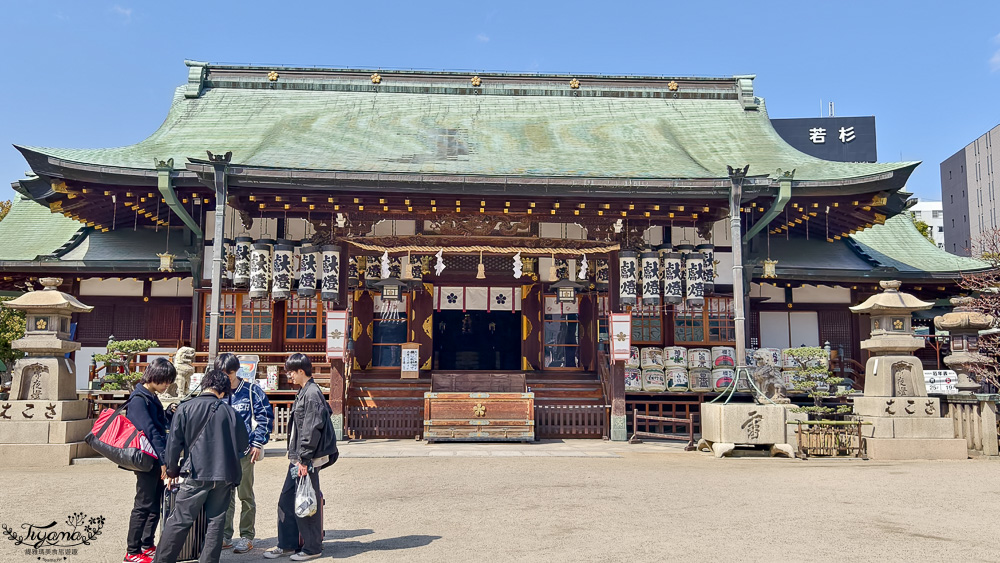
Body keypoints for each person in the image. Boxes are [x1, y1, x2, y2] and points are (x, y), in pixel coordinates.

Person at [155, 369, 249, 563]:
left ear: (205, 384)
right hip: (224, 475)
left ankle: (163, 560)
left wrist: (172, 470)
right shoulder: (231, 412)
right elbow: (242, 445)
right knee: (216, 522)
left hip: (196, 472)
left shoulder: (185, 408)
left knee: (180, 519)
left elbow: (174, 443)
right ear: (223, 391)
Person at [263, 353, 338, 561]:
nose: (289, 376)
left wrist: (304, 459)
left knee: (306, 500)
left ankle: (313, 547)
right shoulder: (306, 391)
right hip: (299, 457)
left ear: (301, 371)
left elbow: (311, 429)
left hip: (306, 459)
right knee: (287, 499)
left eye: (291, 372)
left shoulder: (312, 393)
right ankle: (287, 544)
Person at [214, 353, 274, 554]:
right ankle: (225, 535)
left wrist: (257, 443)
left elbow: (265, 417)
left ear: (236, 370)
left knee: (245, 495)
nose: (225, 378)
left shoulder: (251, 391)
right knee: (225, 495)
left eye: (228, 374)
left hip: (246, 452)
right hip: (222, 453)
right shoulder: (215, 393)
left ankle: (247, 536)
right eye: (221, 374)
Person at [123, 358, 177, 563]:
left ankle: (147, 544)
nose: (166, 385)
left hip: (155, 459)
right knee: (143, 504)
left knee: (155, 503)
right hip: (147, 459)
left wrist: (168, 413)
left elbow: (157, 423)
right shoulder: (139, 399)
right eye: (165, 381)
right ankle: (132, 551)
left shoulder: (149, 396)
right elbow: (151, 431)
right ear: (154, 377)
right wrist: (164, 461)